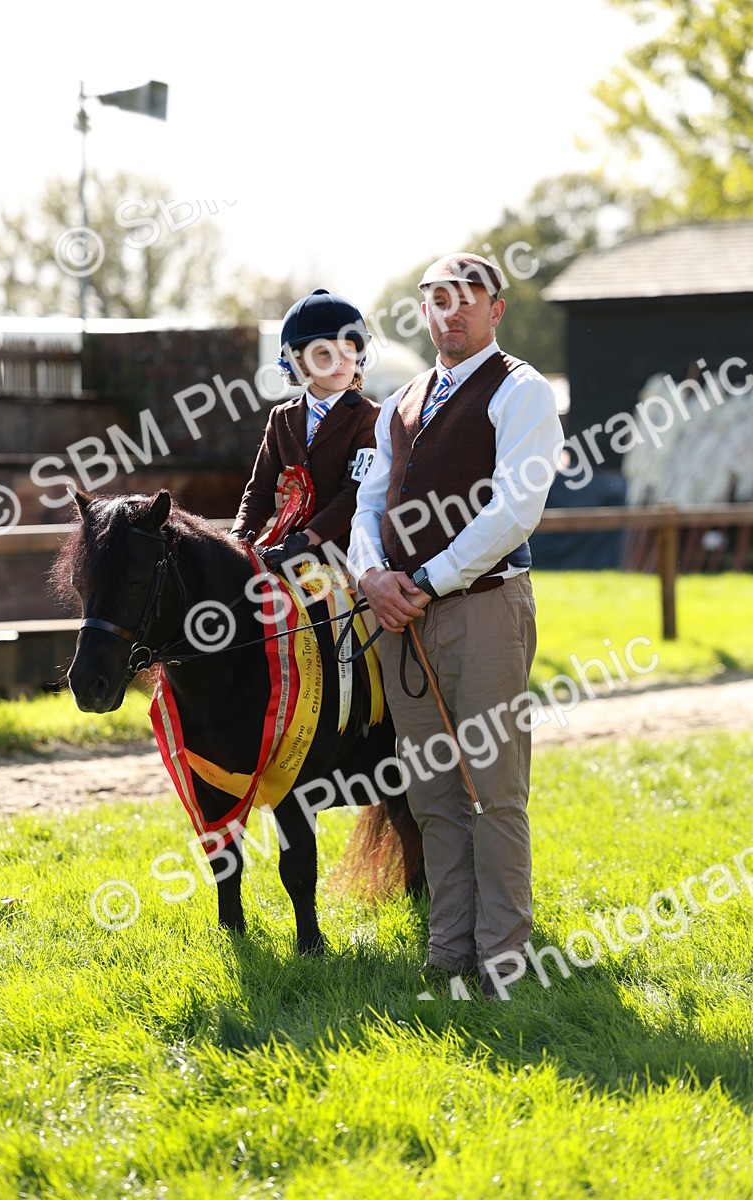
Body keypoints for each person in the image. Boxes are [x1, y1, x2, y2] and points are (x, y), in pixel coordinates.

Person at [348, 253, 564, 998]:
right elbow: (367, 506)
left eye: (468, 297)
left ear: (496, 309)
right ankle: (449, 953)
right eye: (438, 298)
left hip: (484, 610)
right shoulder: (399, 400)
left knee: (495, 789)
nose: (452, 311)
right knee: (433, 792)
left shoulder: (521, 391)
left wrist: (429, 582)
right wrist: (373, 577)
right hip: (400, 617)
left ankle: (503, 961)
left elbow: (514, 510)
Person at [232, 288, 378, 569]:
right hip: (287, 554)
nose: (339, 361)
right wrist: (237, 542)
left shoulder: (370, 417)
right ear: (299, 363)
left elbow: (354, 494)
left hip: (345, 559)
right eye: (324, 353)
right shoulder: (281, 418)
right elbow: (260, 490)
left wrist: (302, 541)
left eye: (348, 351)